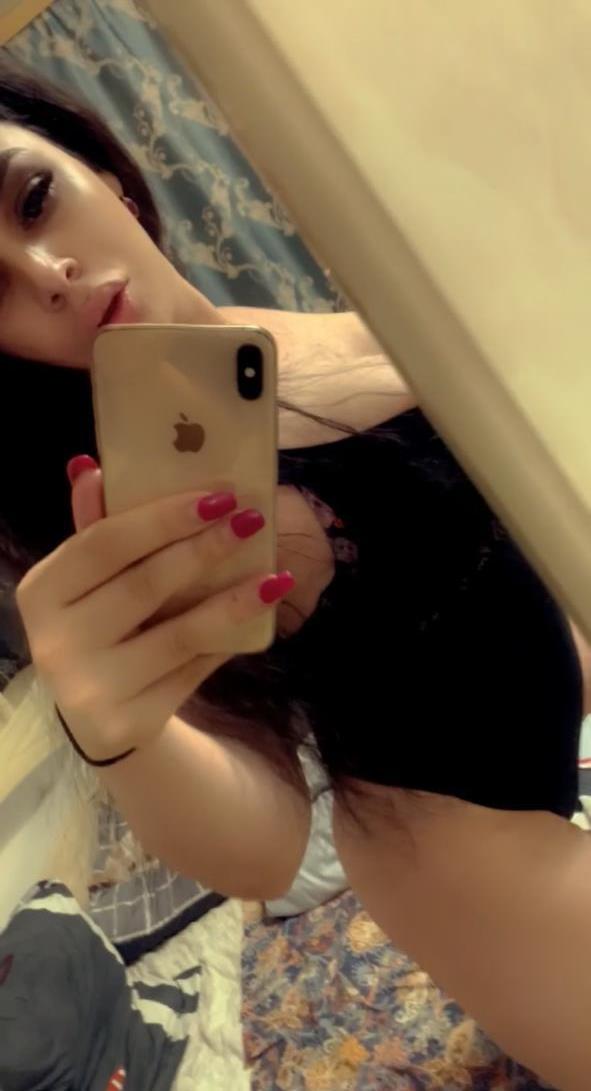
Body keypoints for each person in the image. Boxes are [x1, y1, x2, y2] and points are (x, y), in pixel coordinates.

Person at [0, 57, 590, 1091]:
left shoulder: (281, 322)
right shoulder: (119, 519)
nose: (47, 271)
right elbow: (267, 849)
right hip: (469, 861)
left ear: (104, 170)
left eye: (35, 198)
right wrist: (123, 735)